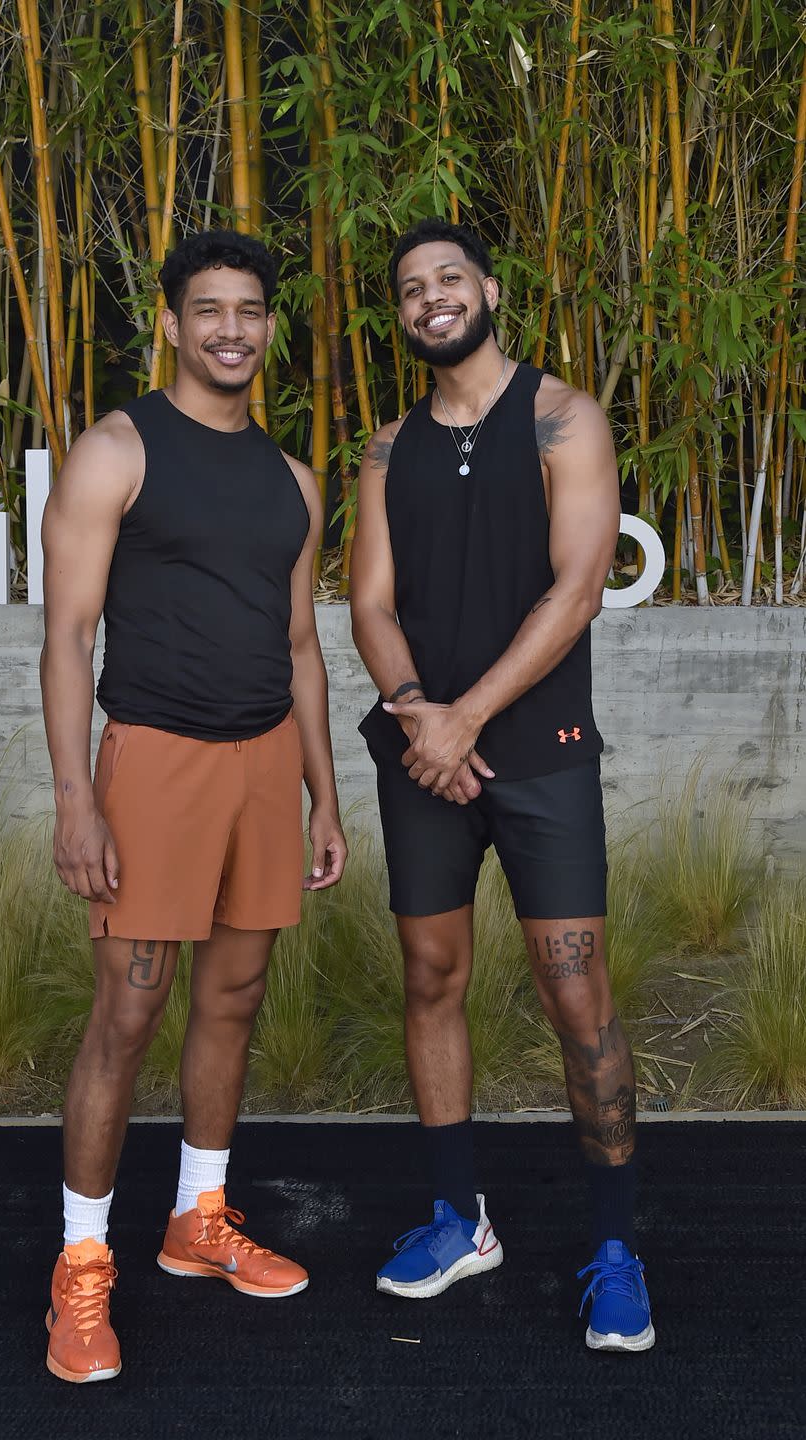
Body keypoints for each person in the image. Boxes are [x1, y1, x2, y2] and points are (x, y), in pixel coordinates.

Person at [39, 229, 347, 1384]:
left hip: (265, 764)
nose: (232, 329)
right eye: (208, 309)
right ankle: (81, 1270)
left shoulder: (293, 480)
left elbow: (304, 647)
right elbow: (68, 637)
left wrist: (322, 794)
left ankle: (196, 1221)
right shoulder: (117, 450)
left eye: (251, 311)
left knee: (235, 996)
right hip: (154, 760)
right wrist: (78, 796)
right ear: (170, 323)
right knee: (128, 1011)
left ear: (269, 327)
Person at [349, 218, 653, 1352]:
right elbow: (369, 603)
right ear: (404, 316)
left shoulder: (562, 414)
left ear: (488, 289)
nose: (432, 299)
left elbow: (578, 587)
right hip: (424, 752)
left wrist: (467, 718)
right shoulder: (386, 450)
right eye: (411, 289)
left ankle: (616, 1249)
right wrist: (423, 715)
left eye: (448, 279)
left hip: (540, 751)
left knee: (578, 994)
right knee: (432, 976)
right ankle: (456, 1219)